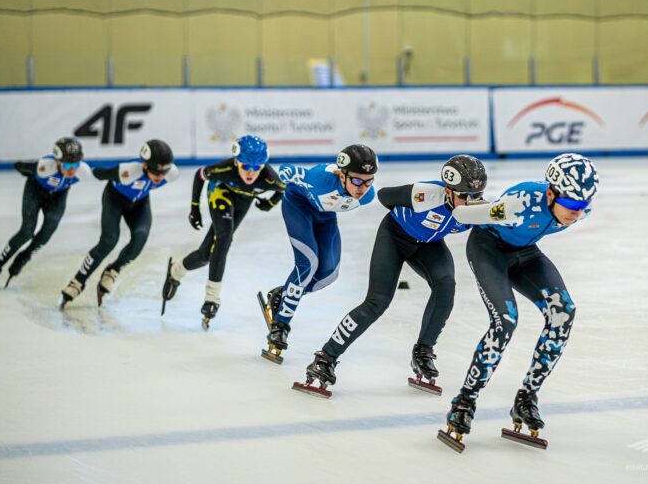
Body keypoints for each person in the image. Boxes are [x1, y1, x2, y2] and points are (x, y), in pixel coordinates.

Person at [438, 153, 599, 452]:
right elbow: (463, 215)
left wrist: (577, 205)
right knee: (505, 321)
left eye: (584, 205)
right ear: (551, 193)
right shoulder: (518, 204)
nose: (578, 213)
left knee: (564, 313)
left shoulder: (578, 207)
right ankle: (465, 400)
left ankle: (527, 398)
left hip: (525, 252)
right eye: (573, 204)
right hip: (489, 250)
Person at [297, 155, 488, 397]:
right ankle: (326, 357)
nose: (469, 202)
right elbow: (384, 196)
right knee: (377, 302)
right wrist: (407, 217)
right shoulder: (424, 194)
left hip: (429, 245)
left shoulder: (478, 209)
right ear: (449, 190)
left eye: (476, 196)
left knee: (446, 285)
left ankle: (423, 351)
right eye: (464, 195)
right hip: (395, 237)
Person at [260, 144, 378, 362]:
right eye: (357, 180)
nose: (362, 187)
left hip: (325, 216)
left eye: (368, 180)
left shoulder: (367, 195)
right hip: (298, 206)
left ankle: (284, 294)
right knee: (308, 263)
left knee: (329, 274)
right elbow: (287, 170)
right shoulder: (318, 180)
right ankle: (281, 325)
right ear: (342, 175)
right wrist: (279, 183)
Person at [160, 135, 286, 329]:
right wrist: (194, 209)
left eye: (257, 167)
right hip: (221, 192)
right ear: (236, 161)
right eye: (245, 166)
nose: (251, 173)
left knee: (205, 256)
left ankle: (176, 270)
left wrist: (270, 203)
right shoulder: (225, 168)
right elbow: (200, 175)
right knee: (225, 237)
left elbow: (285, 189)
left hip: (243, 202)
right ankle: (212, 298)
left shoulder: (269, 177)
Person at [59, 139, 178, 308]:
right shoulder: (127, 172)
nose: (160, 177)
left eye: (164, 172)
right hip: (114, 199)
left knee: (140, 237)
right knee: (109, 241)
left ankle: (113, 270)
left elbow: (158, 176)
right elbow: (99, 173)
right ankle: (78, 281)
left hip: (140, 203)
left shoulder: (171, 173)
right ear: (144, 165)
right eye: (155, 172)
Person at [0, 137, 90, 289]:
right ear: (57, 161)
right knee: (27, 231)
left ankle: (25, 256)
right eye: (68, 164)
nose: (72, 169)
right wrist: (28, 172)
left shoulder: (83, 172)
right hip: (35, 191)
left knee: (49, 229)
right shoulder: (44, 167)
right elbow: (19, 166)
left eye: (75, 164)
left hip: (58, 196)